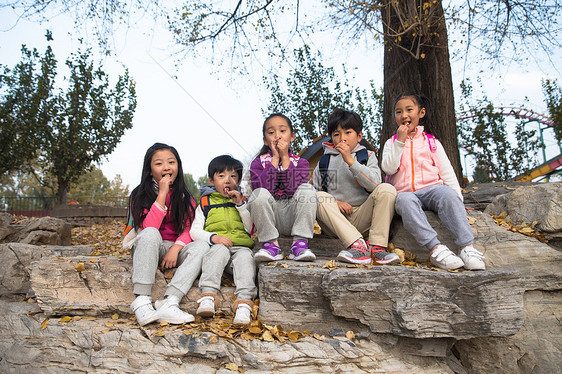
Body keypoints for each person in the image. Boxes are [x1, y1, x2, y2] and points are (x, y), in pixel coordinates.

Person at [381, 92, 485, 270]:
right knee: (405, 201)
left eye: (409, 110)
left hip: (432, 189)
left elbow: (447, 173)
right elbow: (389, 168)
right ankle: (436, 249)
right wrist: (400, 142)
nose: (404, 115)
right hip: (405, 193)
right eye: (398, 112)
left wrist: (457, 201)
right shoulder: (391, 143)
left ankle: (467, 247)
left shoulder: (431, 142)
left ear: (421, 113)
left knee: (448, 195)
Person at [124, 142, 209, 326]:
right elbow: (147, 228)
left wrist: (176, 248)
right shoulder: (138, 194)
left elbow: (189, 229)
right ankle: (142, 300)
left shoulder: (184, 197)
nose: (166, 167)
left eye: (171, 162)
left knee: (202, 246)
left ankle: (169, 301)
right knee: (151, 233)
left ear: (178, 166)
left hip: (174, 247)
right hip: (147, 245)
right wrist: (162, 193)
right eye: (159, 163)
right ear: (149, 170)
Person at [311, 108, 400, 265]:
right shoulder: (324, 162)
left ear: (359, 136)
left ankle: (377, 247)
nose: (342, 139)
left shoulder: (367, 156)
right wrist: (335, 203)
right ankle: (358, 246)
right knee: (317, 197)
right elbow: (314, 192)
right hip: (335, 221)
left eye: (348, 133)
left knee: (387, 189)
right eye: (336, 134)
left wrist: (351, 162)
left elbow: (375, 184)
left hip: (363, 216)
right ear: (331, 137)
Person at [190, 155, 257, 325]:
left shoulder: (243, 201)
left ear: (239, 181)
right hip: (218, 247)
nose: (227, 181)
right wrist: (214, 238)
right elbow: (194, 231)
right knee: (217, 252)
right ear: (211, 181)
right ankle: (208, 295)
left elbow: (250, 228)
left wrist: (241, 205)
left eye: (233, 176)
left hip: (240, 247)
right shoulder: (205, 203)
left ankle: (243, 303)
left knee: (245, 258)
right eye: (221, 176)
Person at [249, 113, 318, 262]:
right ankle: (271, 245)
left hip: (293, 217)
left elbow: (293, 189)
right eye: (271, 132)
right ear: (265, 140)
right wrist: (275, 158)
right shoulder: (257, 163)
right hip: (270, 219)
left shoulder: (301, 163)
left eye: (282, 131)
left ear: (292, 136)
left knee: (307, 189)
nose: (277, 136)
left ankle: (299, 244)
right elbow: (262, 189)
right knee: (257, 194)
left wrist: (285, 158)